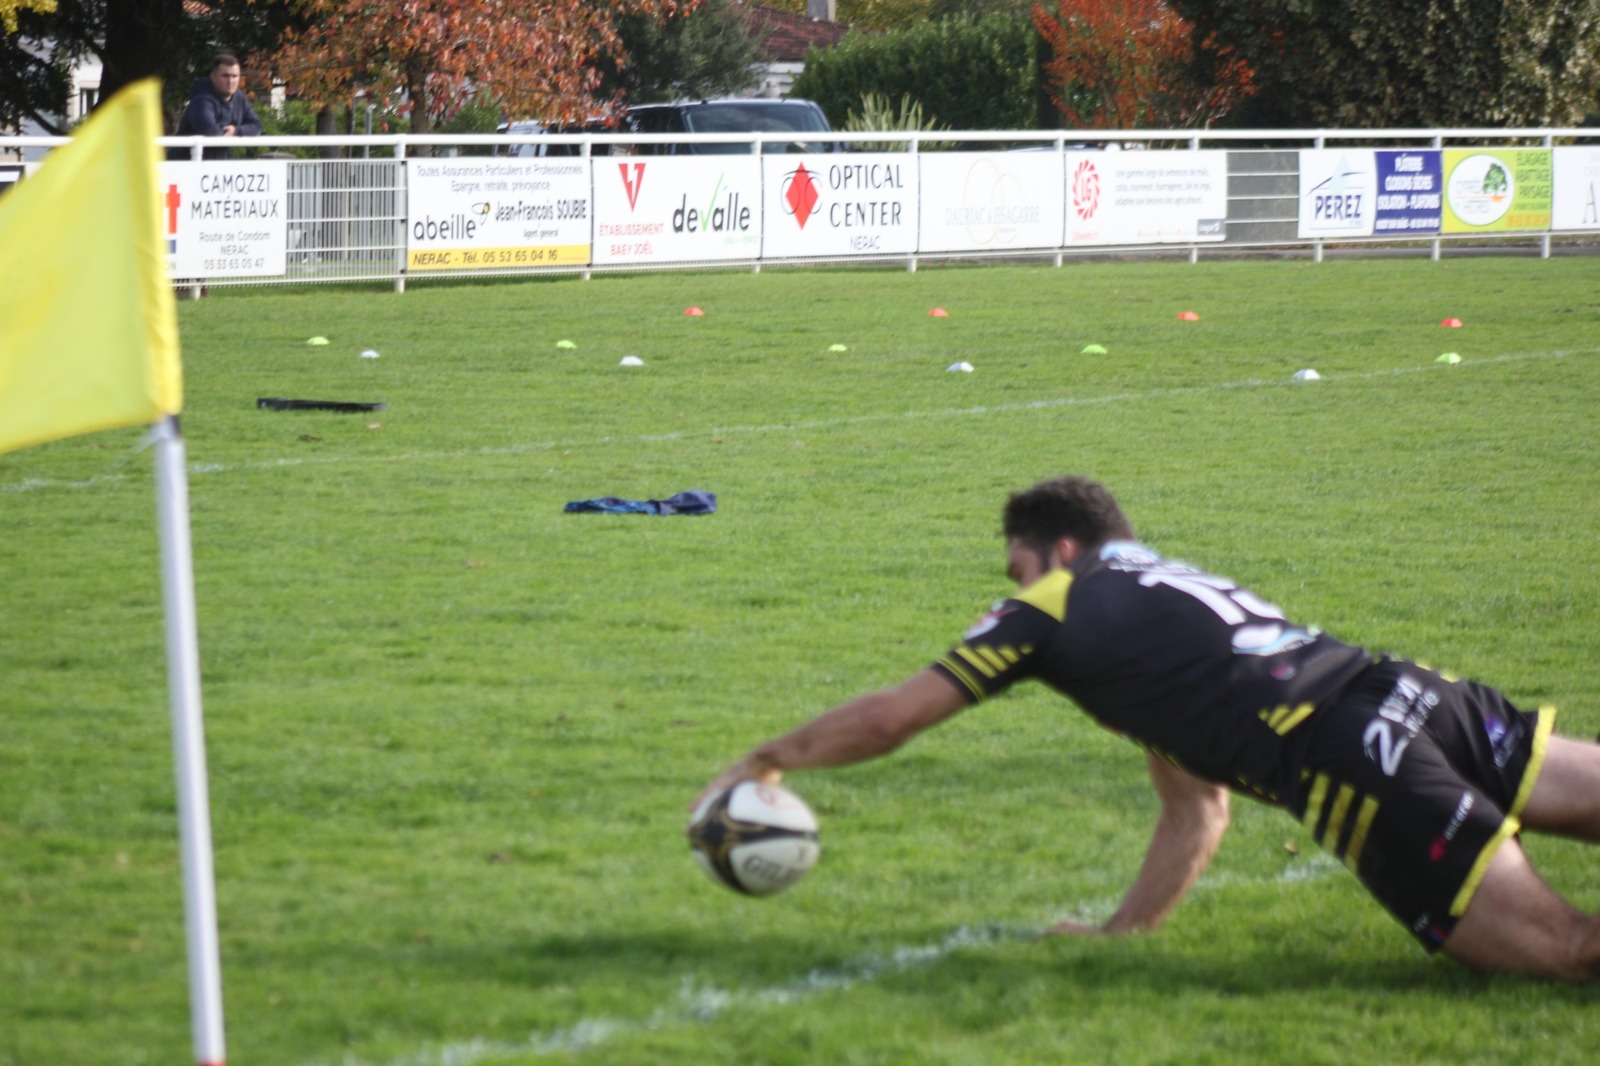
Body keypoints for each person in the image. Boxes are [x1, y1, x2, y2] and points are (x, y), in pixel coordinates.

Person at [698, 475, 1600, 980]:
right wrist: (1123, 932)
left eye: (1018, 569)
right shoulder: (1161, 602)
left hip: (1350, 754)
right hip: (1412, 690)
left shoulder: (1056, 603)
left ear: (1059, 552)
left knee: (1569, 952)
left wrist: (765, 757)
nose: (1016, 589)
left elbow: (893, 717)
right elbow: (1196, 810)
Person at [171, 54, 261, 160]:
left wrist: (235, 131)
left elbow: (256, 126)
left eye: (234, 76)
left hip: (217, 165)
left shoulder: (239, 97)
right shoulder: (201, 99)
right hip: (185, 165)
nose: (230, 81)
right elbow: (210, 131)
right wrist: (230, 131)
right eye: (225, 76)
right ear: (213, 77)